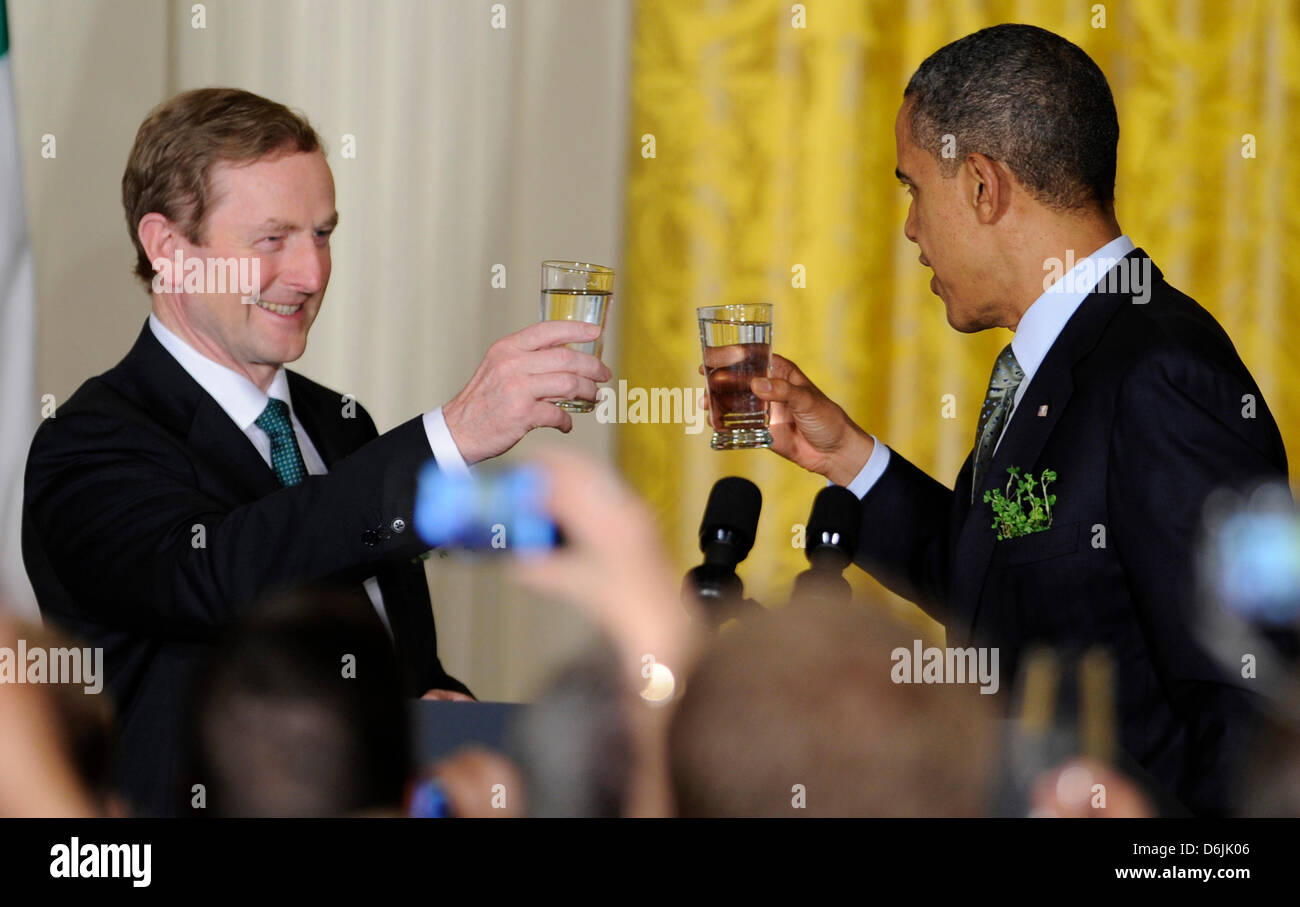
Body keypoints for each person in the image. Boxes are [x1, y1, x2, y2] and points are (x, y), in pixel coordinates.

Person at [748, 24, 1296, 815]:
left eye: (912, 187)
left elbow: (1254, 697)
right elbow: (1008, 582)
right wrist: (851, 458)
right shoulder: (1055, 356)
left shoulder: (1161, 375)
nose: (909, 228)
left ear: (981, 186)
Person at [22, 88, 610, 815]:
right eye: (271, 239)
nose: (310, 273)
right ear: (169, 248)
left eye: (323, 234)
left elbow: (388, 652)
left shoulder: (342, 425)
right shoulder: (90, 442)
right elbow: (227, 575)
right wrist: (450, 434)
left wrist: (433, 707)